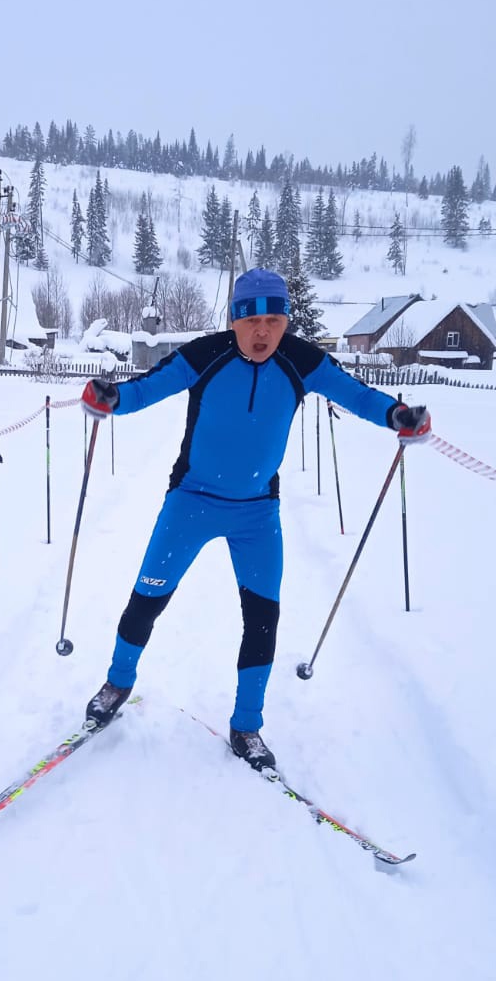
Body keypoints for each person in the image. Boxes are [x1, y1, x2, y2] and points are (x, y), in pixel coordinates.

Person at [79, 267, 431, 771]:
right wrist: (110, 398)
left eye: (274, 320)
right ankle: (118, 682)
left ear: (285, 322)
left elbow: (356, 394)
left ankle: (247, 725)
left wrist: (397, 416)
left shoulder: (300, 359)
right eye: (252, 321)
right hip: (191, 503)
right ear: (234, 320)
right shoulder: (206, 354)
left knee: (263, 618)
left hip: (257, 515)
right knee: (148, 598)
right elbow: (144, 390)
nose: (263, 332)